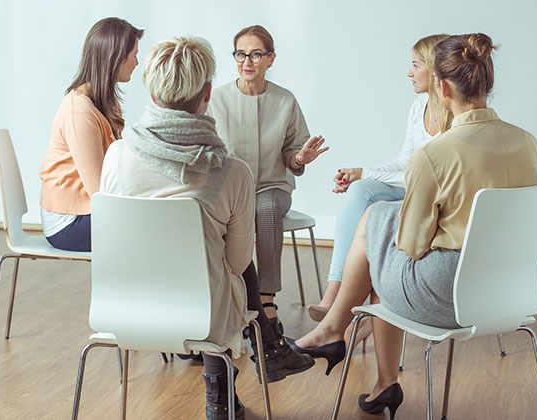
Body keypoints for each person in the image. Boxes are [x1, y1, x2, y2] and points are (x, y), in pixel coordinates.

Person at [290, 33, 537, 419]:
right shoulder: (528, 142)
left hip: (449, 297)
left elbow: (410, 246)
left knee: (376, 227)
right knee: (380, 226)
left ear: (442, 88)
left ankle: (335, 331)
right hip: (513, 293)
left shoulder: (436, 153)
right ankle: (379, 381)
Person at [100, 36, 314, 420]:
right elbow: (235, 264)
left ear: (151, 89)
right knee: (229, 271)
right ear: (208, 93)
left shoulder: (116, 155)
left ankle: (246, 365)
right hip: (201, 313)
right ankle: (223, 389)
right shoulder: (231, 172)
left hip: (123, 306)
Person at [308, 34, 453, 326]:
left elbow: (427, 177)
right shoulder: (418, 108)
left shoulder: (454, 114)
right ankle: (333, 292)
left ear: (435, 69)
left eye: (415, 65)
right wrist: (360, 172)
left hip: (432, 198)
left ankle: (343, 302)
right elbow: (406, 161)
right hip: (409, 189)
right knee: (360, 189)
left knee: (366, 190)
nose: (409, 72)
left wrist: (366, 173)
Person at [207, 25, 328, 324]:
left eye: (256, 54)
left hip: (272, 188)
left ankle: (266, 298)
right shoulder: (216, 100)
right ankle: (221, 297)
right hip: (230, 191)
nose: (247, 62)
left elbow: (293, 151)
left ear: (271, 58)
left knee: (267, 208)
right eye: (241, 54)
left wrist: (300, 157)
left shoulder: (285, 101)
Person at [39, 17, 143, 252]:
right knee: (156, 225)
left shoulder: (106, 102)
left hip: (87, 211)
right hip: (69, 222)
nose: (137, 62)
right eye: (134, 54)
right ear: (115, 57)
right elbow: (99, 192)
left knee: (164, 218)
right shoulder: (79, 112)